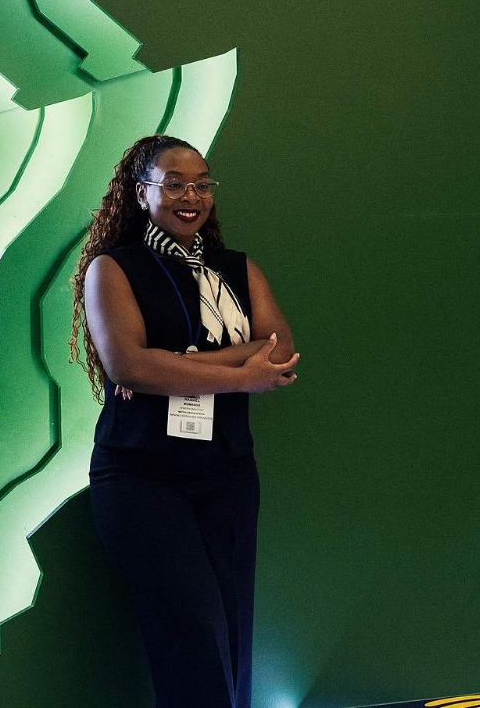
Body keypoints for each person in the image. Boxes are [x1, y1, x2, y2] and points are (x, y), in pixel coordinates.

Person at [69, 135, 298, 708]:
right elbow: (129, 363)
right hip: (141, 477)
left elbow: (280, 349)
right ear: (141, 191)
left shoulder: (237, 270)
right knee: (190, 630)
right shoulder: (113, 270)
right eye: (174, 183)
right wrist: (241, 371)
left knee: (232, 628)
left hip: (226, 473)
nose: (190, 196)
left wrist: (180, 366)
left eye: (201, 184)